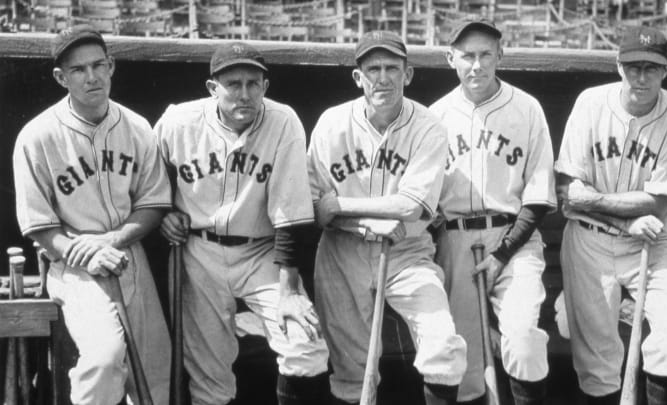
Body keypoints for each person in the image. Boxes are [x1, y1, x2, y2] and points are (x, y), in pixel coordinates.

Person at [154, 42, 329, 405]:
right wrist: (162, 212)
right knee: (209, 378)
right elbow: (147, 179)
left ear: (265, 86)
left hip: (262, 253)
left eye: (254, 83)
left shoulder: (283, 122)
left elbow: (292, 212)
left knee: (304, 349)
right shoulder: (179, 121)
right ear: (212, 88)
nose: (245, 94)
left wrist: (290, 292)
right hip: (199, 251)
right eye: (233, 84)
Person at [13, 25, 171, 405]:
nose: (92, 77)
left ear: (112, 66)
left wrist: (112, 240)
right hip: (74, 266)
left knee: (155, 376)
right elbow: (39, 225)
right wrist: (85, 250)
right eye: (78, 70)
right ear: (60, 77)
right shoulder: (37, 136)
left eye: (98, 65)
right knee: (102, 361)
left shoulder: (136, 127)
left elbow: (153, 203)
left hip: (128, 256)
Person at [308, 30, 468, 405]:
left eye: (392, 68)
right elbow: (314, 206)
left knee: (442, 344)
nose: (383, 77)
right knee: (351, 370)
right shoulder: (331, 123)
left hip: (407, 252)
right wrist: (359, 222)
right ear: (358, 77)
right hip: (341, 251)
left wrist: (342, 207)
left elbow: (409, 206)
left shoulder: (428, 125)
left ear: (407, 74)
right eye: (373, 68)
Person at [555, 26, 667, 405]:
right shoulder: (590, 103)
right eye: (633, 66)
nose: (641, 76)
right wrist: (623, 216)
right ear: (618, 66)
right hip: (589, 242)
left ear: (666, 71)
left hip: (652, 239)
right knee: (597, 365)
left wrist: (594, 199)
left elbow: (660, 206)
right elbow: (567, 195)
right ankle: (591, 308)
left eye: (652, 68)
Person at [430, 20, 556, 405]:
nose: (477, 65)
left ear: (501, 55)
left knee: (523, 339)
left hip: (513, 238)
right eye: (467, 56)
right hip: (454, 237)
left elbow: (538, 196)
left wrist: (503, 253)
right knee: (464, 360)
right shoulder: (433, 116)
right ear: (450, 58)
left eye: (486, 55)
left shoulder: (526, 108)